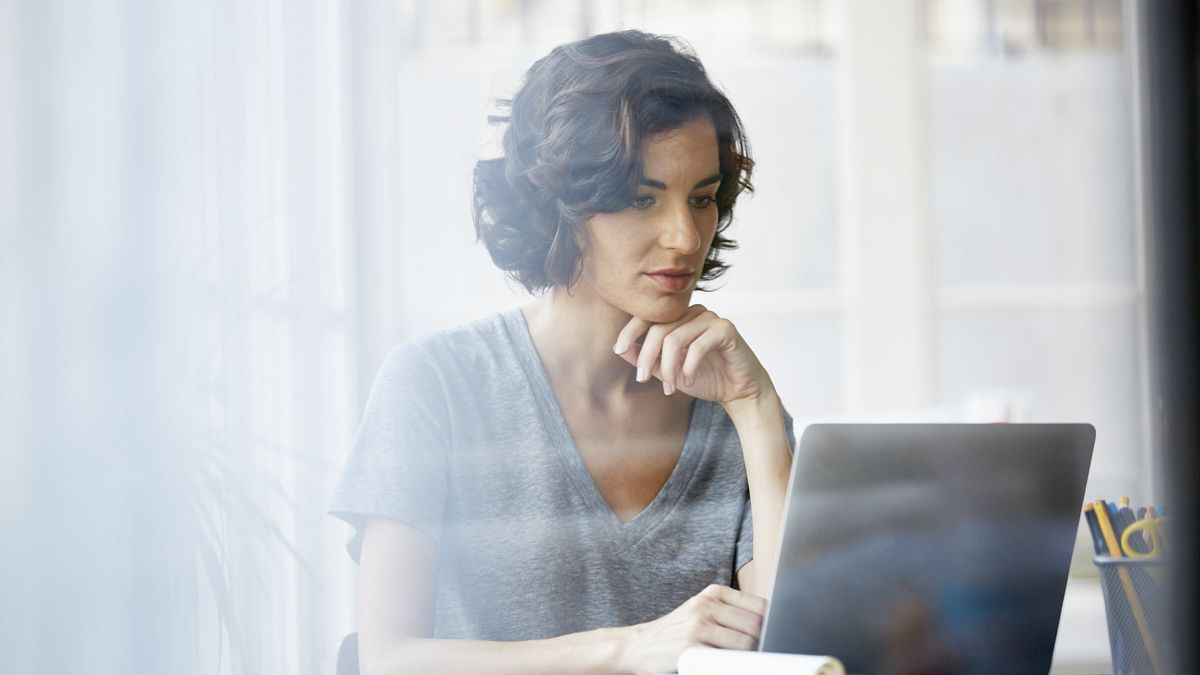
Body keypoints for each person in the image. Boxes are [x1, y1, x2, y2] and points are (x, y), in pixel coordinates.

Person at [330, 29, 795, 675]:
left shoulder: (731, 405)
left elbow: (784, 648)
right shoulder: (436, 383)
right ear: (558, 203)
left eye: (702, 198)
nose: (685, 236)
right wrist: (631, 647)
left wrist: (756, 405)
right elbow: (390, 658)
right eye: (641, 198)